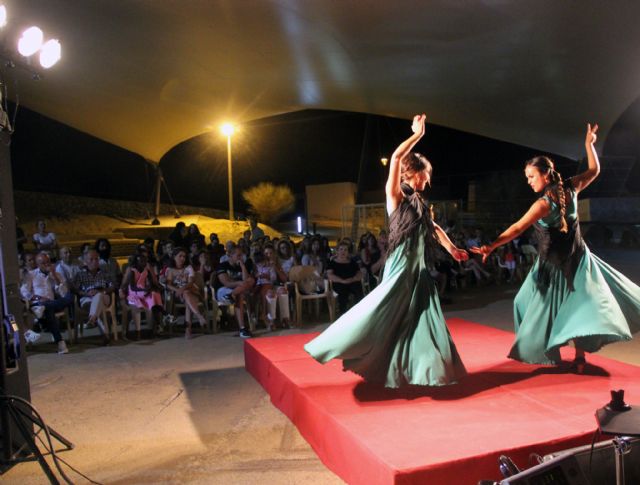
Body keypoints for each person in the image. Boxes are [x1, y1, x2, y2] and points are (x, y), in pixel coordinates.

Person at [305, 114, 469, 388]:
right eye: (424, 177)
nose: (426, 183)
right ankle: (335, 342)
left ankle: (426, 368)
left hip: (419, 269)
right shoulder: (395, 194)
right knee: (381, 309)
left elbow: (434, 227)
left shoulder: (419, 202)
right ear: (413, 172)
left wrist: (453, 249)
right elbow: (394, 159)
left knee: (422, 317)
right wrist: (417, 135)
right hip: (401, 265)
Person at [471, 124, 640, 372]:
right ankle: (575, 356)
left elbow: (517, 228)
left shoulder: (543, 203)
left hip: (555, 266)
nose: (528, 181)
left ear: (546, 175)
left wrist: (491, 246)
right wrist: (589, 145)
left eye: (531, 176)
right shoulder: (569, 189)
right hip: (575, 260)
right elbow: (594, 170)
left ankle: (559, 353)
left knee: (538, 304)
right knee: (576, 307)